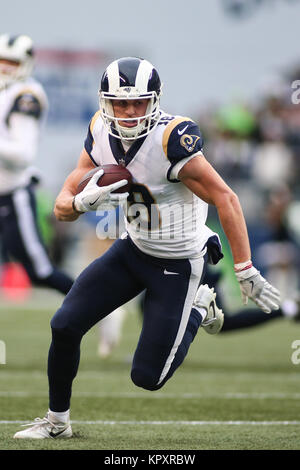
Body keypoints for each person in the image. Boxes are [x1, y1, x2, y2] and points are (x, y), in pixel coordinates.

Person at [13, 57, 280, 439]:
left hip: (177, 262)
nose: (129, 111)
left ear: (154, 100)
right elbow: (62, 207)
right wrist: (79, 203)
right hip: (133, 250)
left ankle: (200, 308)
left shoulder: (172, 138)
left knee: (147, 378)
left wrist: (245, 269)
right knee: (64, 324)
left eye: (138, 102)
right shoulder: (99, 129)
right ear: (106, 102)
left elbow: (227, 198)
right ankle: (57, 423)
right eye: (120, 103)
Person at [0, 34, 73, 295]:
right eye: (1, 61)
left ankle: (97, 306)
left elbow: (23, 153)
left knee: (39, 270)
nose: (5, 67)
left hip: (12, 195)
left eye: (11, 62)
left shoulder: (26, 95)